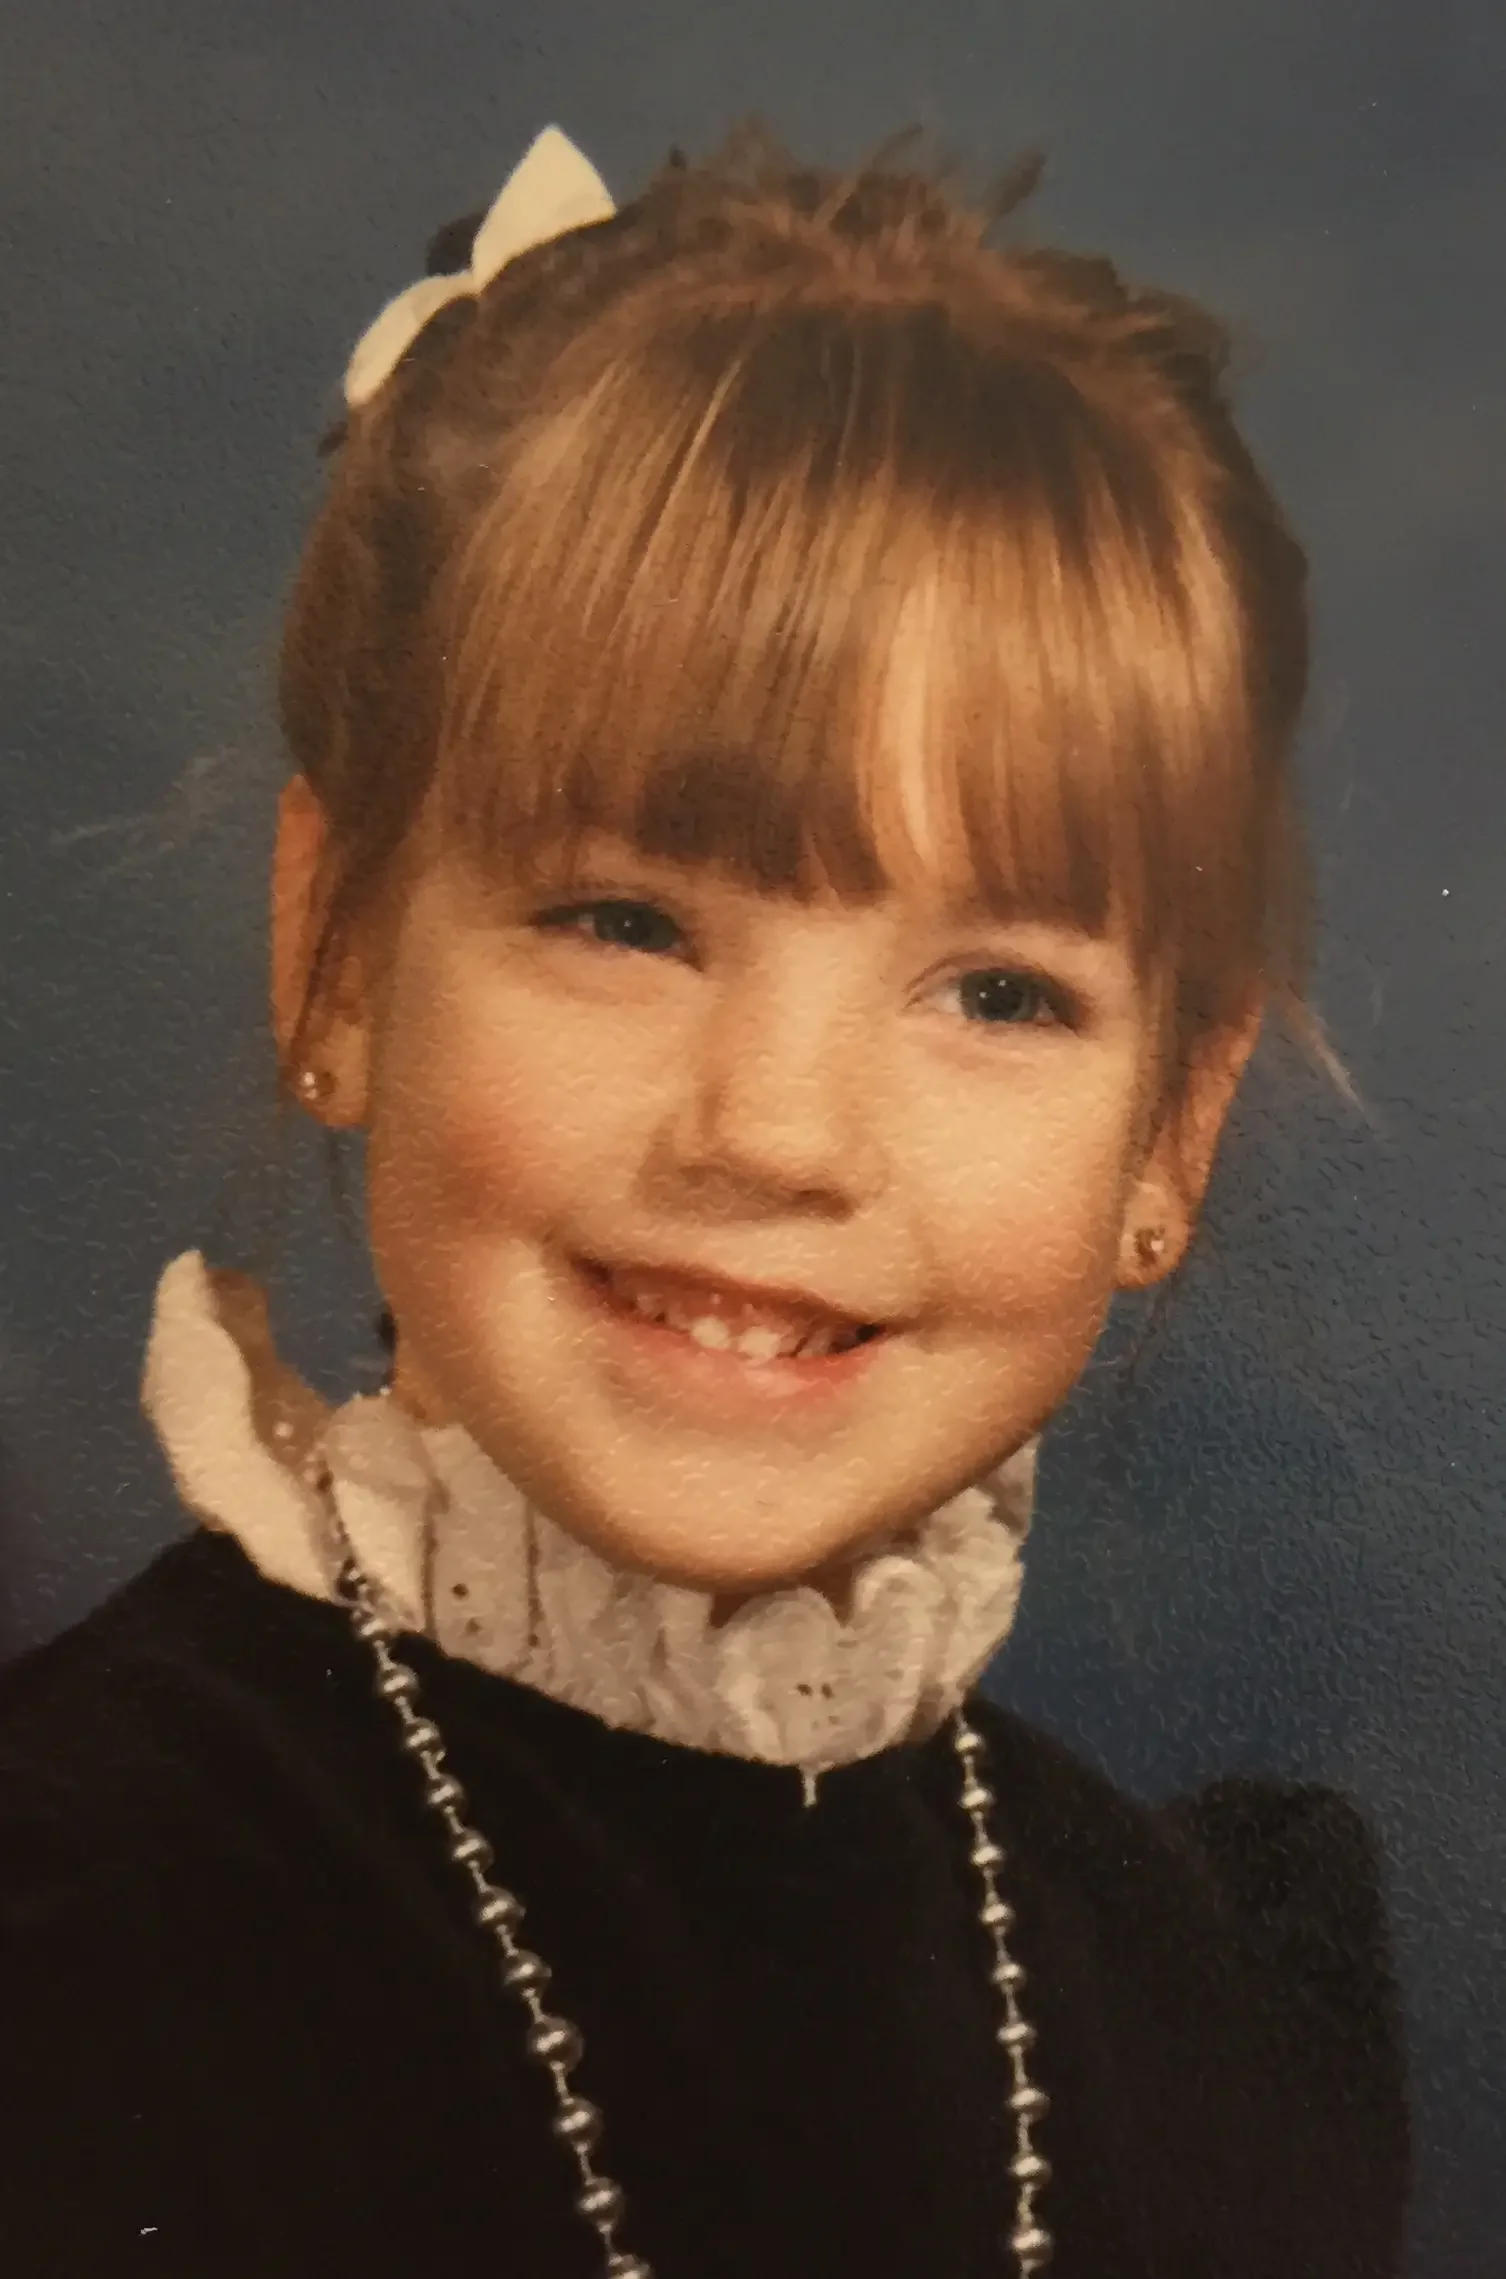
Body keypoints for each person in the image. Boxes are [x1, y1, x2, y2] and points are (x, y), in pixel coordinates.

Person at [0, 125, 1408, 2278]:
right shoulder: (81, 1926)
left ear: (1168, 1143)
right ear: (338, 961)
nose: (776, 1131)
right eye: (628, 920)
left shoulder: (1201, 2007)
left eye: (999, 990)